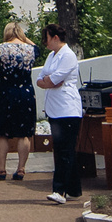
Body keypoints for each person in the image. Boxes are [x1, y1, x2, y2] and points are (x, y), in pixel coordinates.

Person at [36, 24, 84, 204]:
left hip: (67, 109)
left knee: (65, 150)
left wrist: (48, 81)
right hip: (54, 109)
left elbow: (54, 80)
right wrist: (47, 81)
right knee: (61, 149)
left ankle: (59, 190)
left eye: (46, 38)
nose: (44, 42)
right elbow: (40, 79)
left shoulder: (68, 56)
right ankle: (74, 189)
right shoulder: (51, 55)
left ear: (56, 37)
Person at [0, 19, 36, 181]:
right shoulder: (31, 50)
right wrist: (23, 39)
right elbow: (35, 46)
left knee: (2, 132)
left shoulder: (1, 49)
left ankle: (1, 169)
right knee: (24, 133)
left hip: (6, 92)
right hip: (26, 92)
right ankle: (21, 168)